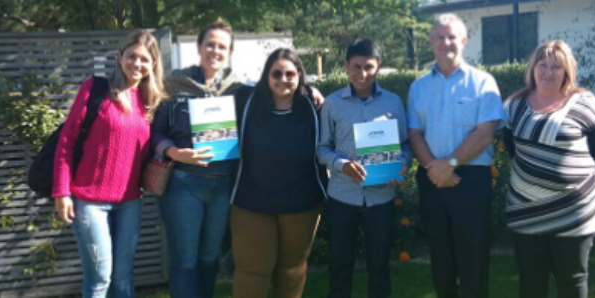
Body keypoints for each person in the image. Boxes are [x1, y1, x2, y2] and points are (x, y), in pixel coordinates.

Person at [52, 29, 165, 298]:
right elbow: (66, 142)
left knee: (124, 280)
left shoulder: (150, 102)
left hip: (130, 202)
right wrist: (61, 192)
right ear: (120, 55)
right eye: (132, 56)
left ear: (153, 65)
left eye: (145, 59)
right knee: (100, 280)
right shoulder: (95, 89)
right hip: (90, 202)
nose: (137, 64)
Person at [406, 13, 507, 298]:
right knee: (441, 259)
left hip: (471, 181)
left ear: (463, 41)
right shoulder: (418, 87)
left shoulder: (483, 82)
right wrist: (433, 168)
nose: (445, 42)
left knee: (474, 258)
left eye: (451, 37)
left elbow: (486, 132)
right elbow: (414, 134)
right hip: (431, 180)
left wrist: (449, 165)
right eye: (439, 36)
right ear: (430, 41)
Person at [502, 40, 595, 298]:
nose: (548, 72)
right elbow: (511, 147)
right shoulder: (514, 105)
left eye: (556, 67)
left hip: (573, 211)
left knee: (572, 279)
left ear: (567, 72)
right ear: (533, 68)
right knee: (531, 280)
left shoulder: (587, 104)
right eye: (543, 65)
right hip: (526, 208)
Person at [150, 19, 243, 298]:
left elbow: (278, 91)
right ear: (199, 47)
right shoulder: (175, 85)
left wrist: (308, 90)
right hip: (183, 185)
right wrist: (173, 151)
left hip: (221, 185)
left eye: (222, 47)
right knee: (186, 261)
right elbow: (153, 131)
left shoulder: (237, 89)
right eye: (210, 44)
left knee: (209, 259)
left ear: (229, 53)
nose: (215, 50)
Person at [317, 39, 411, 298]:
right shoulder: (333, 103)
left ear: (378, 66)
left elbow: (405, 145)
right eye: (356, 66)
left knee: (379, 267)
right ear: (346, 66)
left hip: (381, 197)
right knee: (339, 267)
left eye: (368, 67)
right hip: (342, 197)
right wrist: (341, 164)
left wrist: (402, 164)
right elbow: (322, 148)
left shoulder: (392, 103)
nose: (362, 74)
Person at [230, 48, 327, 298]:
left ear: (299, 76)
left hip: (302, 201)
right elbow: (211, 94)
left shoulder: (314, 106)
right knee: (252, 270)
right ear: (266, 75)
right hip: (251, 200)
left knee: (292, 268)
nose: (283, 79)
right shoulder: (245, 101)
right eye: (276, 73)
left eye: (290, 73)